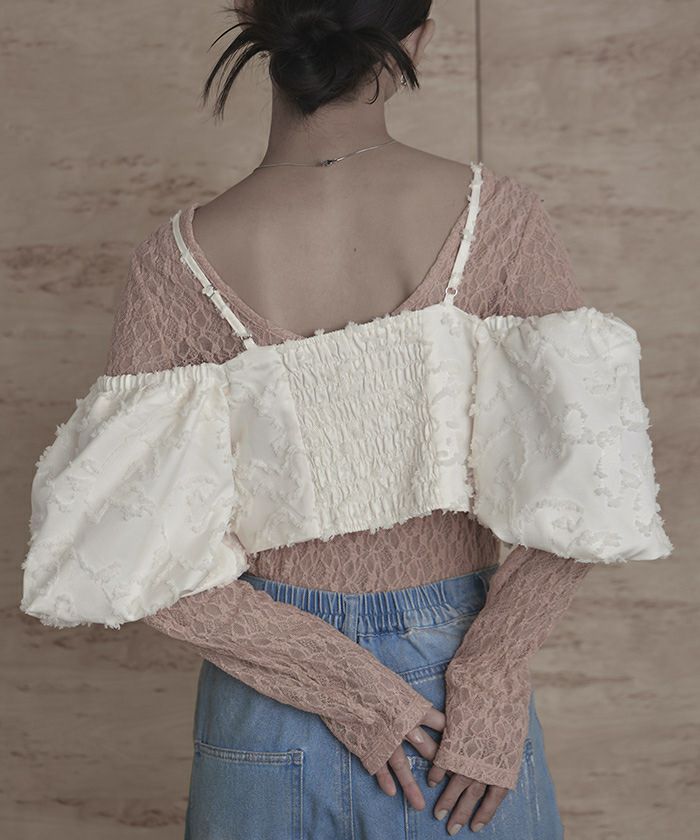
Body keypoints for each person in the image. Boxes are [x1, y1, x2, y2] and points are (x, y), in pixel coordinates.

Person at [21, 2, 672, 838]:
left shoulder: (174, 264)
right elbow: (589, 488)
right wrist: (490, 677)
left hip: (264, 701)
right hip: (452, 705)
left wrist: (335, 681)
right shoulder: (498, 221)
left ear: (254, 17)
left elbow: (125, 551)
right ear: (417, 38)